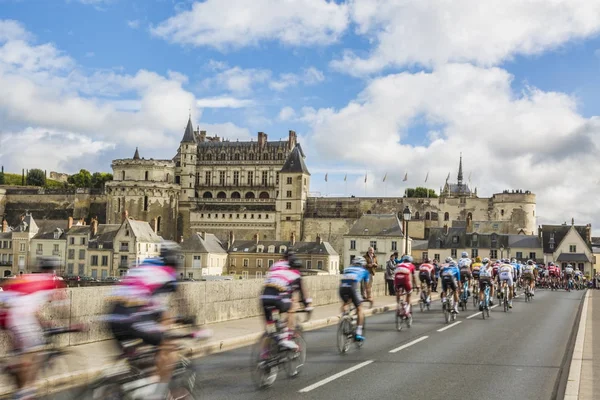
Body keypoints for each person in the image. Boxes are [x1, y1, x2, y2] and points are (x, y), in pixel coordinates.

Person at [106, 241, 203, 400]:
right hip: (132, 319)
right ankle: (159, 395)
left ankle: (127, 388)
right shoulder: (167, 273)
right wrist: (193, 325)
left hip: (113, 316)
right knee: (168, 349)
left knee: (139, 359)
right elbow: (174, 306)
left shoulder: (142, 266)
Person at [0, 256, 68, 400]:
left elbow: (29, 304)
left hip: (5, 310)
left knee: (20, 351)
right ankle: (24, 393)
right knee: (34, 351)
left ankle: (16, 378)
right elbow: (61, 310)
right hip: (17, 316)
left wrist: (43, 322)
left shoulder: (29, 277)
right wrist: (75, 324)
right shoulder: (52, 281)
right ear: (54, 269)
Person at [261, 249, 313, 350]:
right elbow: (300, 290)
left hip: (265, 295)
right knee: (291, 307)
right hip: (279, 296)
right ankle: (286, 337)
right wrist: (308, 305)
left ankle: (264, 354)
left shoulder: (275, 265)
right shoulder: (293, 269)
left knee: (270, 329)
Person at [339, 256, 370, 341]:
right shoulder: (364, 271)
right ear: (363, 264)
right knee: (359, 308)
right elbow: (367, 287)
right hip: (352, 287)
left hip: (342, 288)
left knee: (345, 303)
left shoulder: (347, 269)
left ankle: (344, 318)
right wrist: (369, 297)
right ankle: (358, 333)